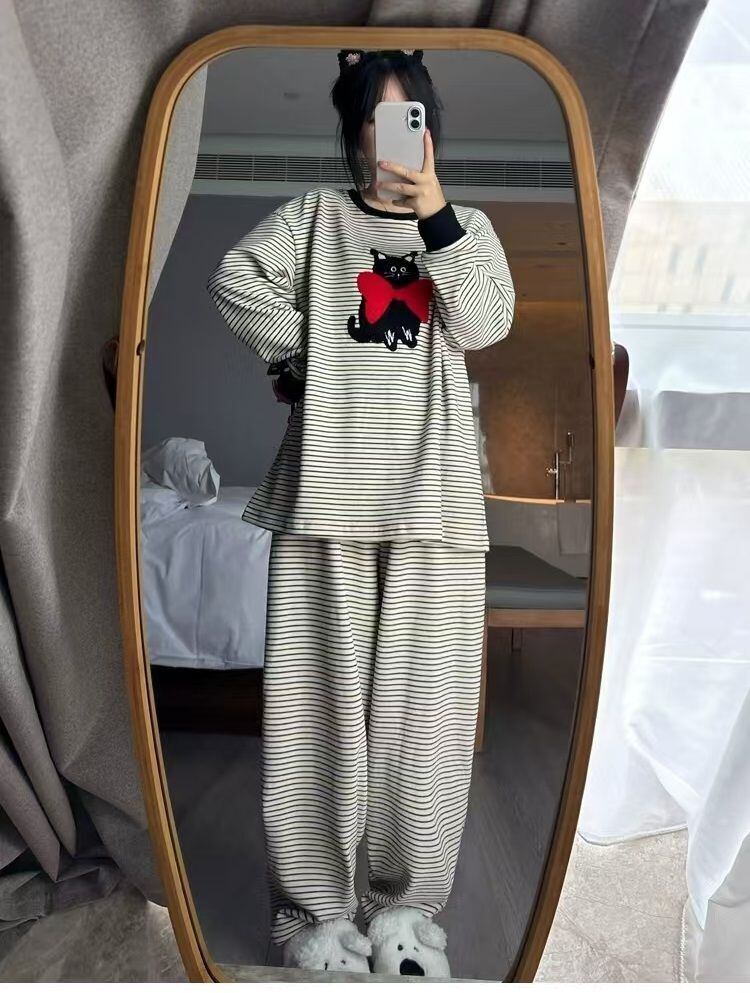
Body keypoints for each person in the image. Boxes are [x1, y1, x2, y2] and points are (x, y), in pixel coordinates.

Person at [206, 48, 515, 977]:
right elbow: (234, 279)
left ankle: (404, 911)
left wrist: (435, 215)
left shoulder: (466, 229)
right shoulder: (314, 219)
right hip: (325, 500)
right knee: (315, 717)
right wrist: (306, 357)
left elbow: (486, 322)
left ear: (429, 130)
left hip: (437, 509)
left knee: (427, 721)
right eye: (376, 121)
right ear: (352, 134)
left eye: (408, 119)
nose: (393, 141)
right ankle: (315, 915)